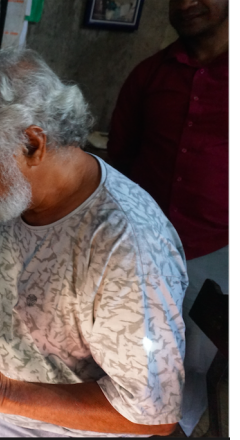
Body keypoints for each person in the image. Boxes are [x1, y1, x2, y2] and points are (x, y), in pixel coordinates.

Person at [0, 46, 188, 436]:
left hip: (38, 426)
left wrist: (1, 392)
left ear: (33, 144)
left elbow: (154, 412)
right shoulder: (17, 194)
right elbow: (5, 273)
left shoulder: (127, 247)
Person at [107, 0, 228, 434]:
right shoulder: (150, 76)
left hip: (216, 252)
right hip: (142, 253)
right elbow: (117, 163)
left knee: (202, 378)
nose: (187, 3)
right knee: (133, 370)